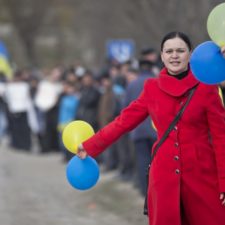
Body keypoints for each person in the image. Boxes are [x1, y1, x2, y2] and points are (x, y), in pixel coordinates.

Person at [77, 31, 225, 225]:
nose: (174, 55)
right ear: (161, 56)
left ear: (190, 55)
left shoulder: (207, 87)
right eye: (169, 51)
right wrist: (90, 145)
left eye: (180, 50)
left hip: (202, 173)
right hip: (163, 175)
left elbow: (221, 137)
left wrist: (224, 181)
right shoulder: (152, 88)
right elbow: (123, 122)